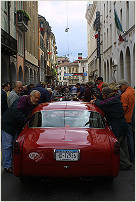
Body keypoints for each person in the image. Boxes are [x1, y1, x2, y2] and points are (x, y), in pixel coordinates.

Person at [90, 87, 132, 170]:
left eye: (103, 94)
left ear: (106, 94)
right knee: (123, 144)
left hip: (118, 125)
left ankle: (126, 163)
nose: (102, 96)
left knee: (116, 145)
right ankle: (127, 161)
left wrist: (95, 101)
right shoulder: (115, 98)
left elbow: (102, 104)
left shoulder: (113, 100)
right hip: (121, 124)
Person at [1, 90, 41, 174]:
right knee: (7, 145)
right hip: (8, 124)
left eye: (38, 98)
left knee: (14, 145)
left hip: (16, 126)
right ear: (31, 96)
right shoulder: (22, 100)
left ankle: (11, 163)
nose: (37, 99)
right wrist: (26, 122)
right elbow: (16, 112)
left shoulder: (34, 104)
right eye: (35, 97)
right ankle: (7, 166)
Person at [118, 80, 135, 163]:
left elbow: (123, 109)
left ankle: (132, 158)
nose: (119, 89)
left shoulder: (125, 95)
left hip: (127, 119)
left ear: (124, 85)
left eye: (120, 87)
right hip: (133, 118)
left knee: (129, 139)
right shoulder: (133, 91)